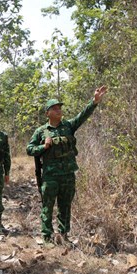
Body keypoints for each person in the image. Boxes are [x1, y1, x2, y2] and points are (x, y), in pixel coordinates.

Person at [26, 86, 107, 246]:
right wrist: (44, 147)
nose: (58, 110)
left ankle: (64, 235)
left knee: (65, 206)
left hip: (68, 174)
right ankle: (47, 237)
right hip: (50, 175)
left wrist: (94, 101)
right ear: (47, 113)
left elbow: (82, 116)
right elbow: (29, 149)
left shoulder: (68, 126)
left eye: (59, 108)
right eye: (54, 108)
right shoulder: (41, 131)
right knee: (47, 207)